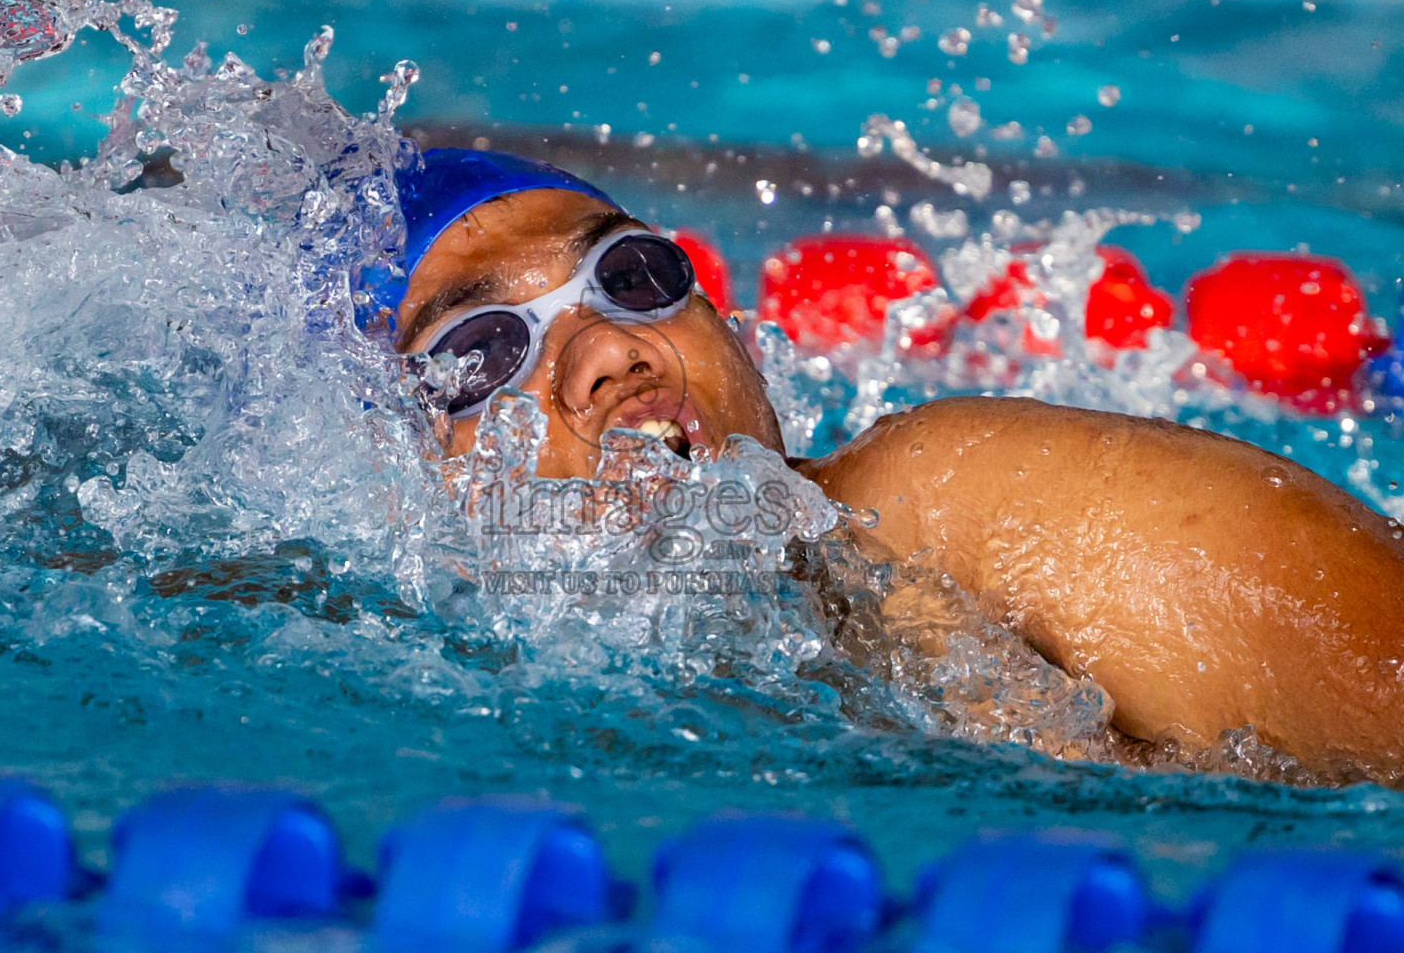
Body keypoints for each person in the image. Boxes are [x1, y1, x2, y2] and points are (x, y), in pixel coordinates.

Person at [365, 146, 1404, 777]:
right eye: (480, 350)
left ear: (732, 328)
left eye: (631, 274)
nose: (606, 348)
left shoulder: (952, 500)